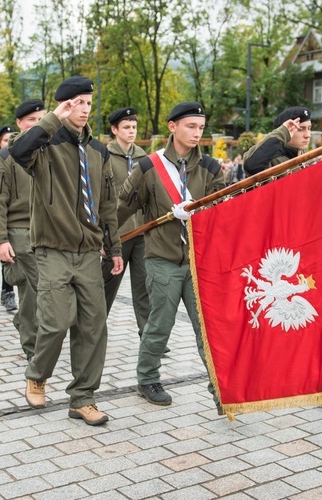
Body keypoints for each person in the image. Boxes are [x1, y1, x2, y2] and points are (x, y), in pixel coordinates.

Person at [9, 76, 122, 426]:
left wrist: (114, 246)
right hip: (52, 249)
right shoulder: (43, 144)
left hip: (89, 251)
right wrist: (53, 119)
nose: (84, 110)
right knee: (56, 322)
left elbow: (106, 205)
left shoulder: (99, 151)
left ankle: (82, 398)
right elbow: (17, 150)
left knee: (93, 328)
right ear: (63, 106)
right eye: (76, 103)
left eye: (88, 103)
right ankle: (37, 374)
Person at [118, 101, 225, 411]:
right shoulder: (149, 167)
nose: (196, 133)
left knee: (207, 327)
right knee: (160, 324)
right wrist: (107, 240)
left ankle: (220, 388)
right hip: (161, 257)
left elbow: (221, 211)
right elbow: (124, 207)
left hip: (198, 260)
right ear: (172, 127)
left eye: (201, 128)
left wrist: (200, 212)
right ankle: (147, 378)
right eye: (191, 126)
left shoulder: (210, 168)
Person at [0, 99, 45, 360]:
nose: (36, 124)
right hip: (20, 230)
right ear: (20, 124)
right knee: (33, 288)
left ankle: (25, 323)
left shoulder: (49, 150)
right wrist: (1, 239)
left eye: (40, 119)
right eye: (31, 120)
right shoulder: (5, 157)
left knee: (47, 289)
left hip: (48, 230)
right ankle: (32, 347)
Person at [103, 106, 150, 338]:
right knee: (107, 286)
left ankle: (148, 332)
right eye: (126, 127)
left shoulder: (143, 157)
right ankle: (94, 329)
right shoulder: (105, 156)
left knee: (143, 286)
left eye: (134, 127)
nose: (131, 131)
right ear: (114, 130)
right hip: (117, 233)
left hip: (141, 231)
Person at [0, 123, 18, 313]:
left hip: (19, 218)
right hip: (3, 218)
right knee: (7, 260)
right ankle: (8, 292)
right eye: (5, 141)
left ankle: (7, 290)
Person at [243, 106, 311, 175]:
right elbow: (251, 166)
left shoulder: (307, 157)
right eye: (300, 129)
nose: (308, 135)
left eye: (309, 128)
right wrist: (282, 133)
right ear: (287, 130)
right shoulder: (272, 158)